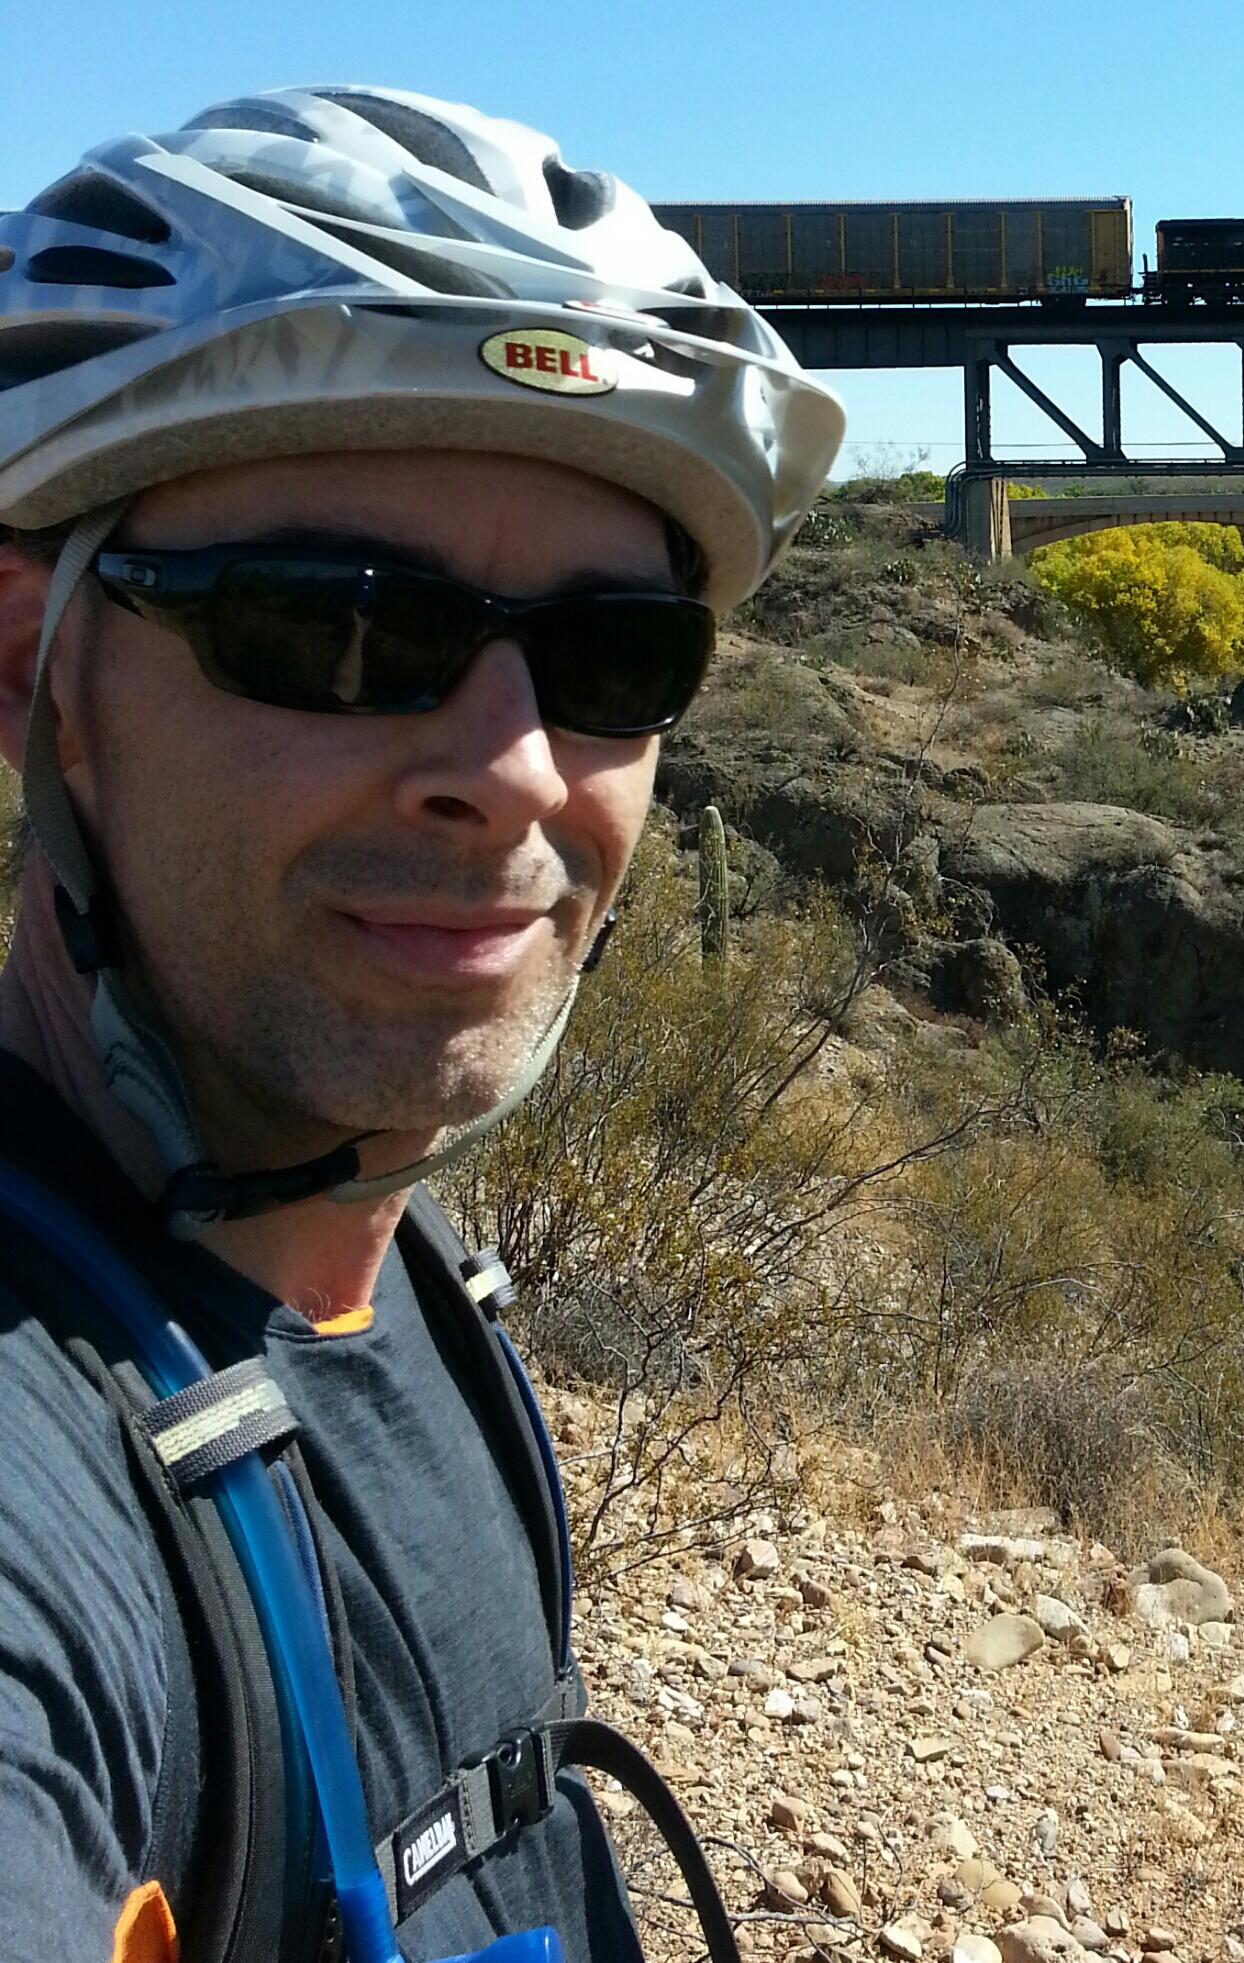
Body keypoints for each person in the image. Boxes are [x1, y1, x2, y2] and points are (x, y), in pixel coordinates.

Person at [0, 85, 844, 1962]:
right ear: (35, 681)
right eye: (337, 629)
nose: (511, 767)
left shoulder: (410, 1286)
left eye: (616, 655)